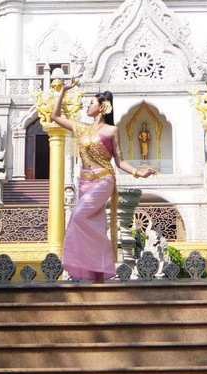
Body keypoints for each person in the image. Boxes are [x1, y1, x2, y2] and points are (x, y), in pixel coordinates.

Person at [51, 90, 152, 282]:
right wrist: (63, 91)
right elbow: (54, 116)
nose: (87, 107)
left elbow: (120, 161)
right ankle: (96, 270)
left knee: (77, 216)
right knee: (95, 226)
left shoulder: (111, 131)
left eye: (91, 103)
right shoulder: (81, 128)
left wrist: (139, 173)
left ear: (102, 107)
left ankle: (101, 256)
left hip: (104, 179)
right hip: (84, 181)